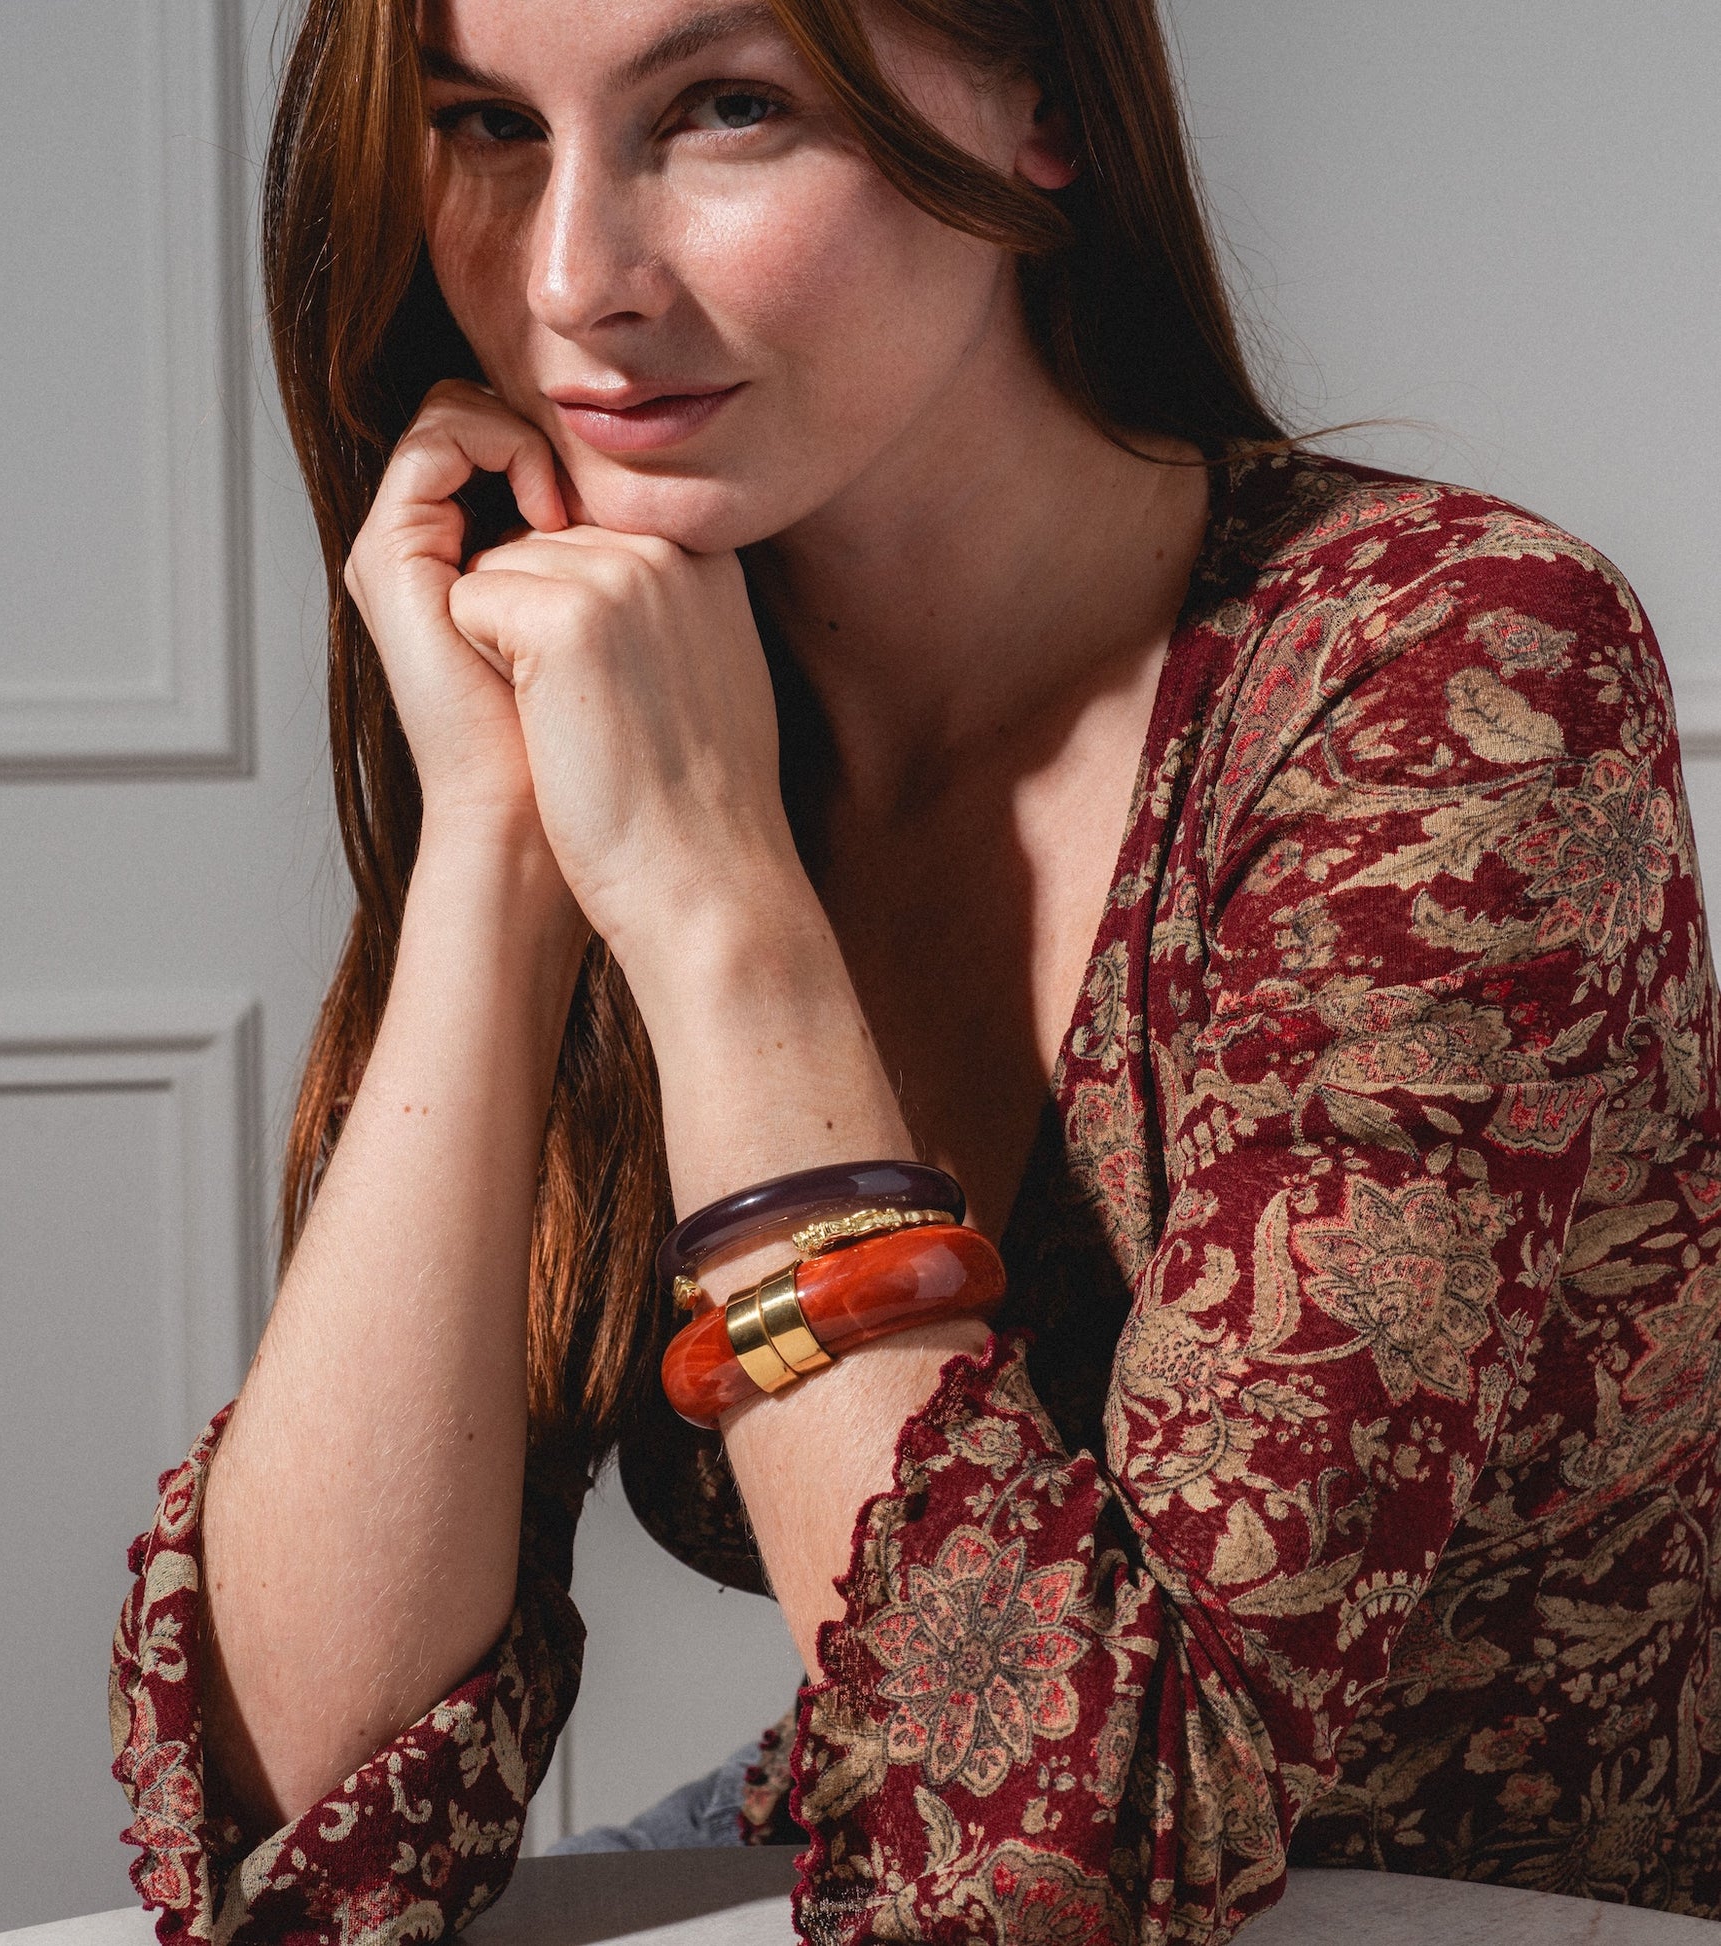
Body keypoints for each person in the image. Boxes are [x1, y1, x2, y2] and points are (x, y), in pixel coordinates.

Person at [108, 0, 1721, 1936]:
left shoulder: (1448, 685)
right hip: (867, 1825)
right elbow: (292, 1850)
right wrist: (500, 849)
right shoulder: (644, 679)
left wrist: (717, 916)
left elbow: (1073, 1874)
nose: (563, 280)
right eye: (482, 125)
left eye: (721, 108)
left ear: (1043, 99)